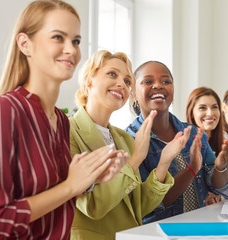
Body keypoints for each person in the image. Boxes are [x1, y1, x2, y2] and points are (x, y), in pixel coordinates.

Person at [0, 1, 126, 239]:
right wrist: (70, 186)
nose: (71, 50)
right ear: (25, 44)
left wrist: (89, 180)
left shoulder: (61, 121)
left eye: (76, 41)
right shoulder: (3, 111)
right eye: (58, 37)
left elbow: (54, 202)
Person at [69, 51, 190, 239]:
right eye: (112, 74)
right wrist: (135, 160)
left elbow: (139, 206)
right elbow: (92, 206)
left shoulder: (123, 138)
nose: (121, 84)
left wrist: (164, 161)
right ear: (89, 80)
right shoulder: (67, 132)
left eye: (127, 81)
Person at [126, 61, 228, 224]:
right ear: (133, 93)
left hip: (200, 228)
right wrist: (191, 169)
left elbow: (218, 187)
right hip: (161, 233)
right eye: (148, 81)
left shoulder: (192, 132)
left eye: (166, 81)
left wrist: (221, 167)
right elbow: (153, 204)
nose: (158, 85)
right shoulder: (129, 139)